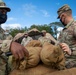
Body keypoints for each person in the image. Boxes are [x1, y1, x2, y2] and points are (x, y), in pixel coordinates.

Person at [0, 0, 29, 75]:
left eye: (5, 12)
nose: (4, 14)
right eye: (2, 11)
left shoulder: (6, 35)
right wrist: (9, 45)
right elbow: (9, 45)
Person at [57, 4, 76, 68]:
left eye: (60, 18)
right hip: (62, 60)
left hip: (71, 63)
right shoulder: (63, 30)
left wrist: (71, 51)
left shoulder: (74, 27)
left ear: (63, 16)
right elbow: (57, 44)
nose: (60, 21)